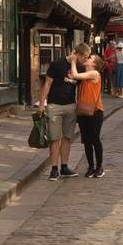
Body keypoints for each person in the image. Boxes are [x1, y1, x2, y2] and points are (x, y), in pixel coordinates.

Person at [42, 45, 79, 179]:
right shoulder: (57, 64)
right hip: (54, 106)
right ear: (75, 53)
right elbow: (47, 83)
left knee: (67, 138)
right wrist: (42, 104)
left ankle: (64, 167)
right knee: (54, 138)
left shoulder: (79, 67)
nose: (83, 59)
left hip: (71, 106)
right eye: (82, 57)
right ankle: (54, 169)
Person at [73, 45, 105, 178]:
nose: (88, 57)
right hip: (83, 111)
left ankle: (99, 167)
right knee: (86, 140)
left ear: (95, 64)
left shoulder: (94, 73)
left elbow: (75, 75)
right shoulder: (85, 74)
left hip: (95, 111)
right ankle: (90, 167)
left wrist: (73, 60)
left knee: (94, 139)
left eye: (91, 58)